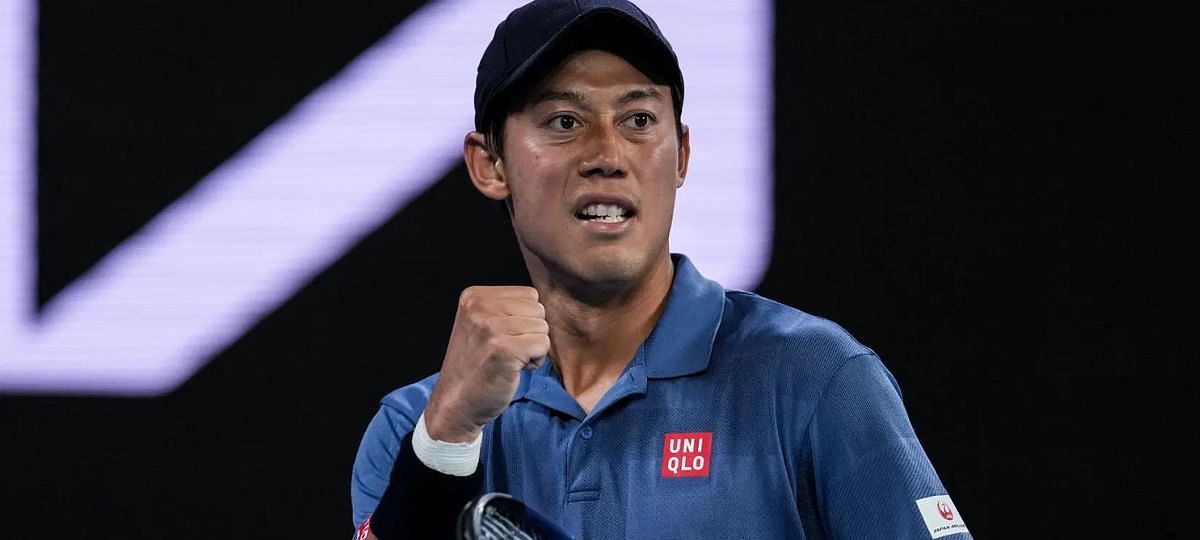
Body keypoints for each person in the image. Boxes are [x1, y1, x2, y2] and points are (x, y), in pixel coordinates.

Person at [350, 0, 971, 538]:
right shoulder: (417, 430)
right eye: (564, 122)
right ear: (490, 165)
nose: (607, 155)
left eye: (639, 120)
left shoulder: (813, 379)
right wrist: (449, 439)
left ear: (681, 155)